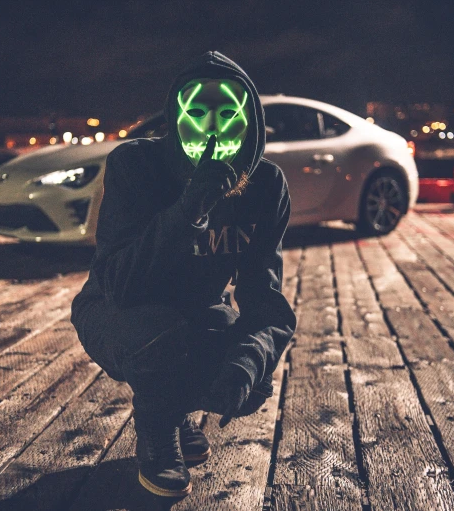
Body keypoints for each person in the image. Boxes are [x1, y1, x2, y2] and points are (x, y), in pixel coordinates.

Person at [70, 51, 296, 498]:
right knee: (162, 336)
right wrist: (190, 208)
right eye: (195, 112)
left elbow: (265, 299)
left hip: (198, 309)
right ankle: (158, 430)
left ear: (250, 121)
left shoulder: (266, 186)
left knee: (248, 378)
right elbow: (120, 281)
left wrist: (250, 358)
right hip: (116, 307)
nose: (211, 128)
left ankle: (176, 409)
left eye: (228, 113)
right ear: (175, 118)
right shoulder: (134, 167)